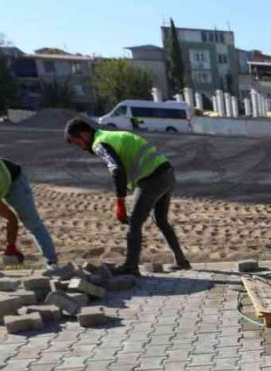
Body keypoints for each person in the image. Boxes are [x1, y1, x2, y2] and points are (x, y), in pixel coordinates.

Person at [64, 118, 191, 277]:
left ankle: (131, 267)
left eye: (78, 143)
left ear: (84, 134)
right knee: (161, 220)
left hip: (151, 178)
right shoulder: (111, 135)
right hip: (167, 173)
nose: (81, 147)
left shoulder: (100, 143)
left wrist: (120, 202)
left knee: (134, 224)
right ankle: (181, 260)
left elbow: (117, 170)